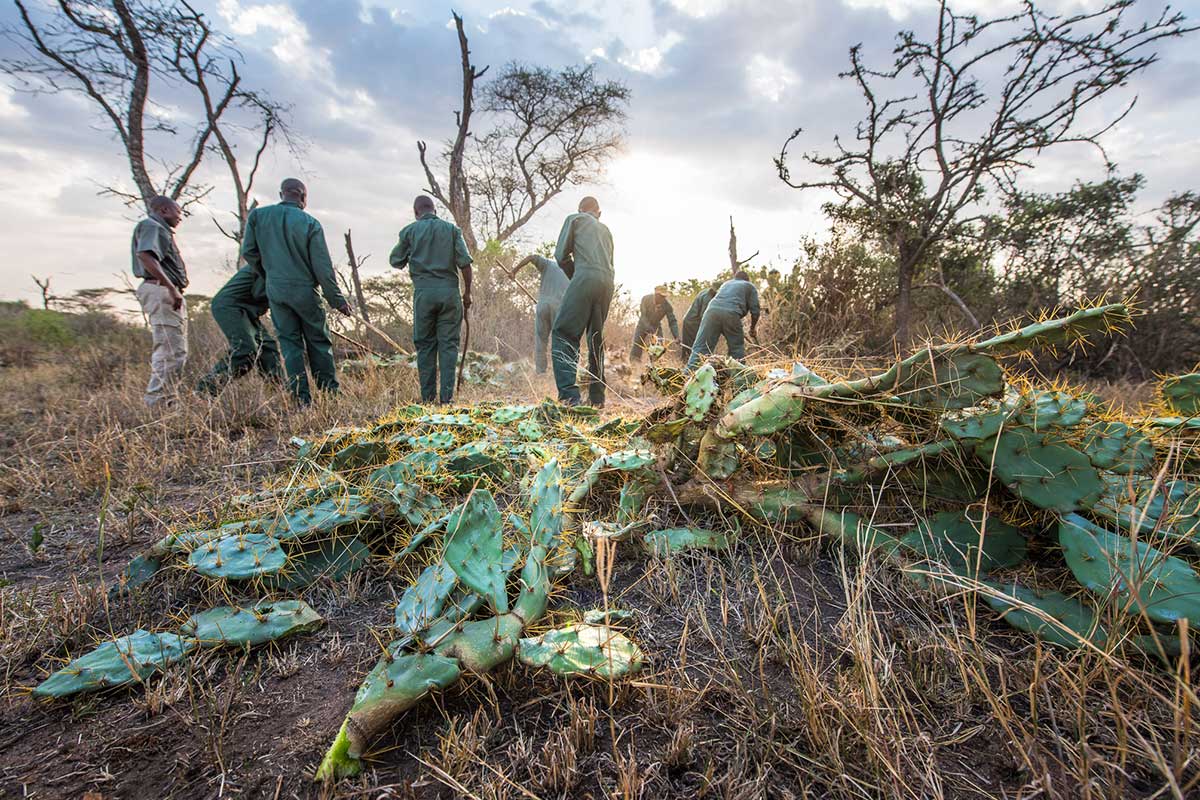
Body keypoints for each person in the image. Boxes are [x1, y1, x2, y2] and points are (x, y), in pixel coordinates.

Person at [240, 178, 351, 406]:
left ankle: (301, 399)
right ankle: (329, 393)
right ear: (303, 197)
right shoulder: (310, 223)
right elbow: (323, 267)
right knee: (318, 342)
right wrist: (336, 300)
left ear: (282, 194)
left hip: (276, 291)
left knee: (290, 345)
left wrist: (269, 275)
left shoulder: (258, 217)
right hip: (304, 290)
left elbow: (249, 252)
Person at [390, 195, 473, 404]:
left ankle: (427, 400)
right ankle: (447, 400)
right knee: (449, 345)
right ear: (434, 210)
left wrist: (413, 252)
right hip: (449, 294)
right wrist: (468, 293)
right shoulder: (452, 230)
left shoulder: (410, 231)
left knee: (425, 346)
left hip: (424, 295)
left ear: (416, 212)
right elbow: (465, 264)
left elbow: (395, 260)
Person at [550, 196, 614, 407]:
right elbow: (610, 264)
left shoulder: (575, 219)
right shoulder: (606, 230)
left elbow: (561, 256)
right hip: (607, 282)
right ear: (599, 213)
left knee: (564, 333)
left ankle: (570, 396)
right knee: (595, 338)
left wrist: (576, 277)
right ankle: (597, 397)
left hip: (584, 277)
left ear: (580, 209)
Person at [132, 195, 189, 407]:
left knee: (175, 350)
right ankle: (157, 403)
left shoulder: (158, 229)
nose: (180, 217)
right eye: (178, 212)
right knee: (169, 351)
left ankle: (168, 401)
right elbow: (146, 256)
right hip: (161, 289)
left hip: (164, 290)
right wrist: (171, 288)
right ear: (164, 210)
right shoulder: (152, 226)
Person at [196, 265, 283, 394]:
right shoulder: (272, 263)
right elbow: (260, 292)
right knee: (246, 349)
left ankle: (279, 394)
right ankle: (204, 391)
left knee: (268, 348)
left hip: (247, 310)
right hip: (230, 306)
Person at [685, 270, 760, 372]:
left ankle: (687, 376)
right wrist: (752, 328)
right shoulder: (749, 286)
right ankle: (737, 380)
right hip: (731, 314)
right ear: (747, 280)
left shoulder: (726, 284)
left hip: (711, 312)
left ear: (735, 278)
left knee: (701, 348)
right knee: (736, 349)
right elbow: (755, 311)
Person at [514, 253, 568, 374]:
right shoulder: (573, 272)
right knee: (559, 342)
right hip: (559, 308)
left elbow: (531, 257)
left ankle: (540, 372)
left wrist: (514, 271)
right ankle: (559, 373)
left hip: (542, 306)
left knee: (541, 341)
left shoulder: (548, 264)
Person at [630, 285, 679, 362]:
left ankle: (653, 365)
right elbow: (643, 315)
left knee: (659, 348)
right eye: (661, 296)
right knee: (637, 345)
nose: (663, 298)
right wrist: (649, 328)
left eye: (664, 296)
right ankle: (634, 366)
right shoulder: (645, 299)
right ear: (656, 295)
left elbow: (672, 321)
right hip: (642, 325)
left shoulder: (667, 306)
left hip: (656, 326)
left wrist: (677, 336)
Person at [680, 281, 722, 363]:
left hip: (689, 321)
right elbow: (704, 316)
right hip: (693, 323)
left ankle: (687, 362)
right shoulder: (708, 298)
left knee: (691, 345)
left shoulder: (705, 292)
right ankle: (691, 364)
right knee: (695, 346)